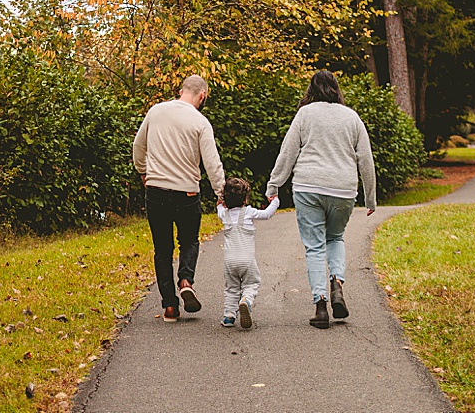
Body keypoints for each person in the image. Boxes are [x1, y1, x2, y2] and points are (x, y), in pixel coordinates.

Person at [265, 70, 376, 329]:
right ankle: (336, 283)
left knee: (314, 247)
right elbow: (366, 159)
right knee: (335, 238)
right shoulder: (352, 117)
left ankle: (320, 305)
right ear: (337, 90)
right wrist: (370, 198)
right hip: (343, 189)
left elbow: (288, 151)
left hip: (308, 186)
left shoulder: (305, 114)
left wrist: (274, 185)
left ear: (310, 90)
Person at [132, 75, 225, 322]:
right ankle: (186, 280)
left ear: (181, 90)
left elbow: (138, 147)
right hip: (187, 192)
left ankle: (170, 307)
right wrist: (221, 194)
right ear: (202, 95)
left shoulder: (156, 111)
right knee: (189, 242)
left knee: (162, 249)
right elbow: (212, 163)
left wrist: (144, 172)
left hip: (156, 190)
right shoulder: (200, 122)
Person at [215, 176, 279, 329]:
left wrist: (219, 203)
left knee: (231, 288)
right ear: (245, 199)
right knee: (251, 283)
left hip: (230, 262)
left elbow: (219, 208)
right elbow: (267, 214)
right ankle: (246, 300)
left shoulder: (224, 214)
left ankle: (229, 316)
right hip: (247, 261)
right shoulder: (249, 212)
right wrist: (275, 200)